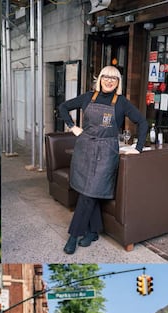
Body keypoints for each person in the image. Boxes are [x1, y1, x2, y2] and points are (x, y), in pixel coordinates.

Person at [59, 65, 148, 255]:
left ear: (118, 83)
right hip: (84, 149)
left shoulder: (122, 102)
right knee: (88, 191)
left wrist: (138, 148)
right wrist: (72, 127)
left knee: (89, 193)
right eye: (106, 77)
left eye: (114, 78)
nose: (109, 80)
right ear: (99, 78)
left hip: (107, 153)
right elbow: (63, 107)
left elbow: (142, 122)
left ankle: (73, 236)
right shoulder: (87, 97)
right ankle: (93, 231)